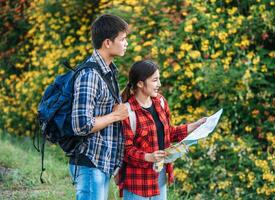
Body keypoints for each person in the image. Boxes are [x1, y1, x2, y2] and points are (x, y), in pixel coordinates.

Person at [119, 60, 207, 199]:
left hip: (159, 175)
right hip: (137, 181)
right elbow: (125, 150)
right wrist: (148, 157)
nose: (159, 84)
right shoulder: (127, 111)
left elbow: (169, 133)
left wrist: (196, 125)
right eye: (155, 80)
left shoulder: (160, 102)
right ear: (140, 83)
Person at [69, 14, 129, 200]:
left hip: (102, 162)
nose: (126, 43)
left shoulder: (108, 71)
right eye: (123, 39)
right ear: (108, 43)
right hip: (89, 162)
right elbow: (80, 125)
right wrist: (114, 116)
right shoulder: (90, 75)